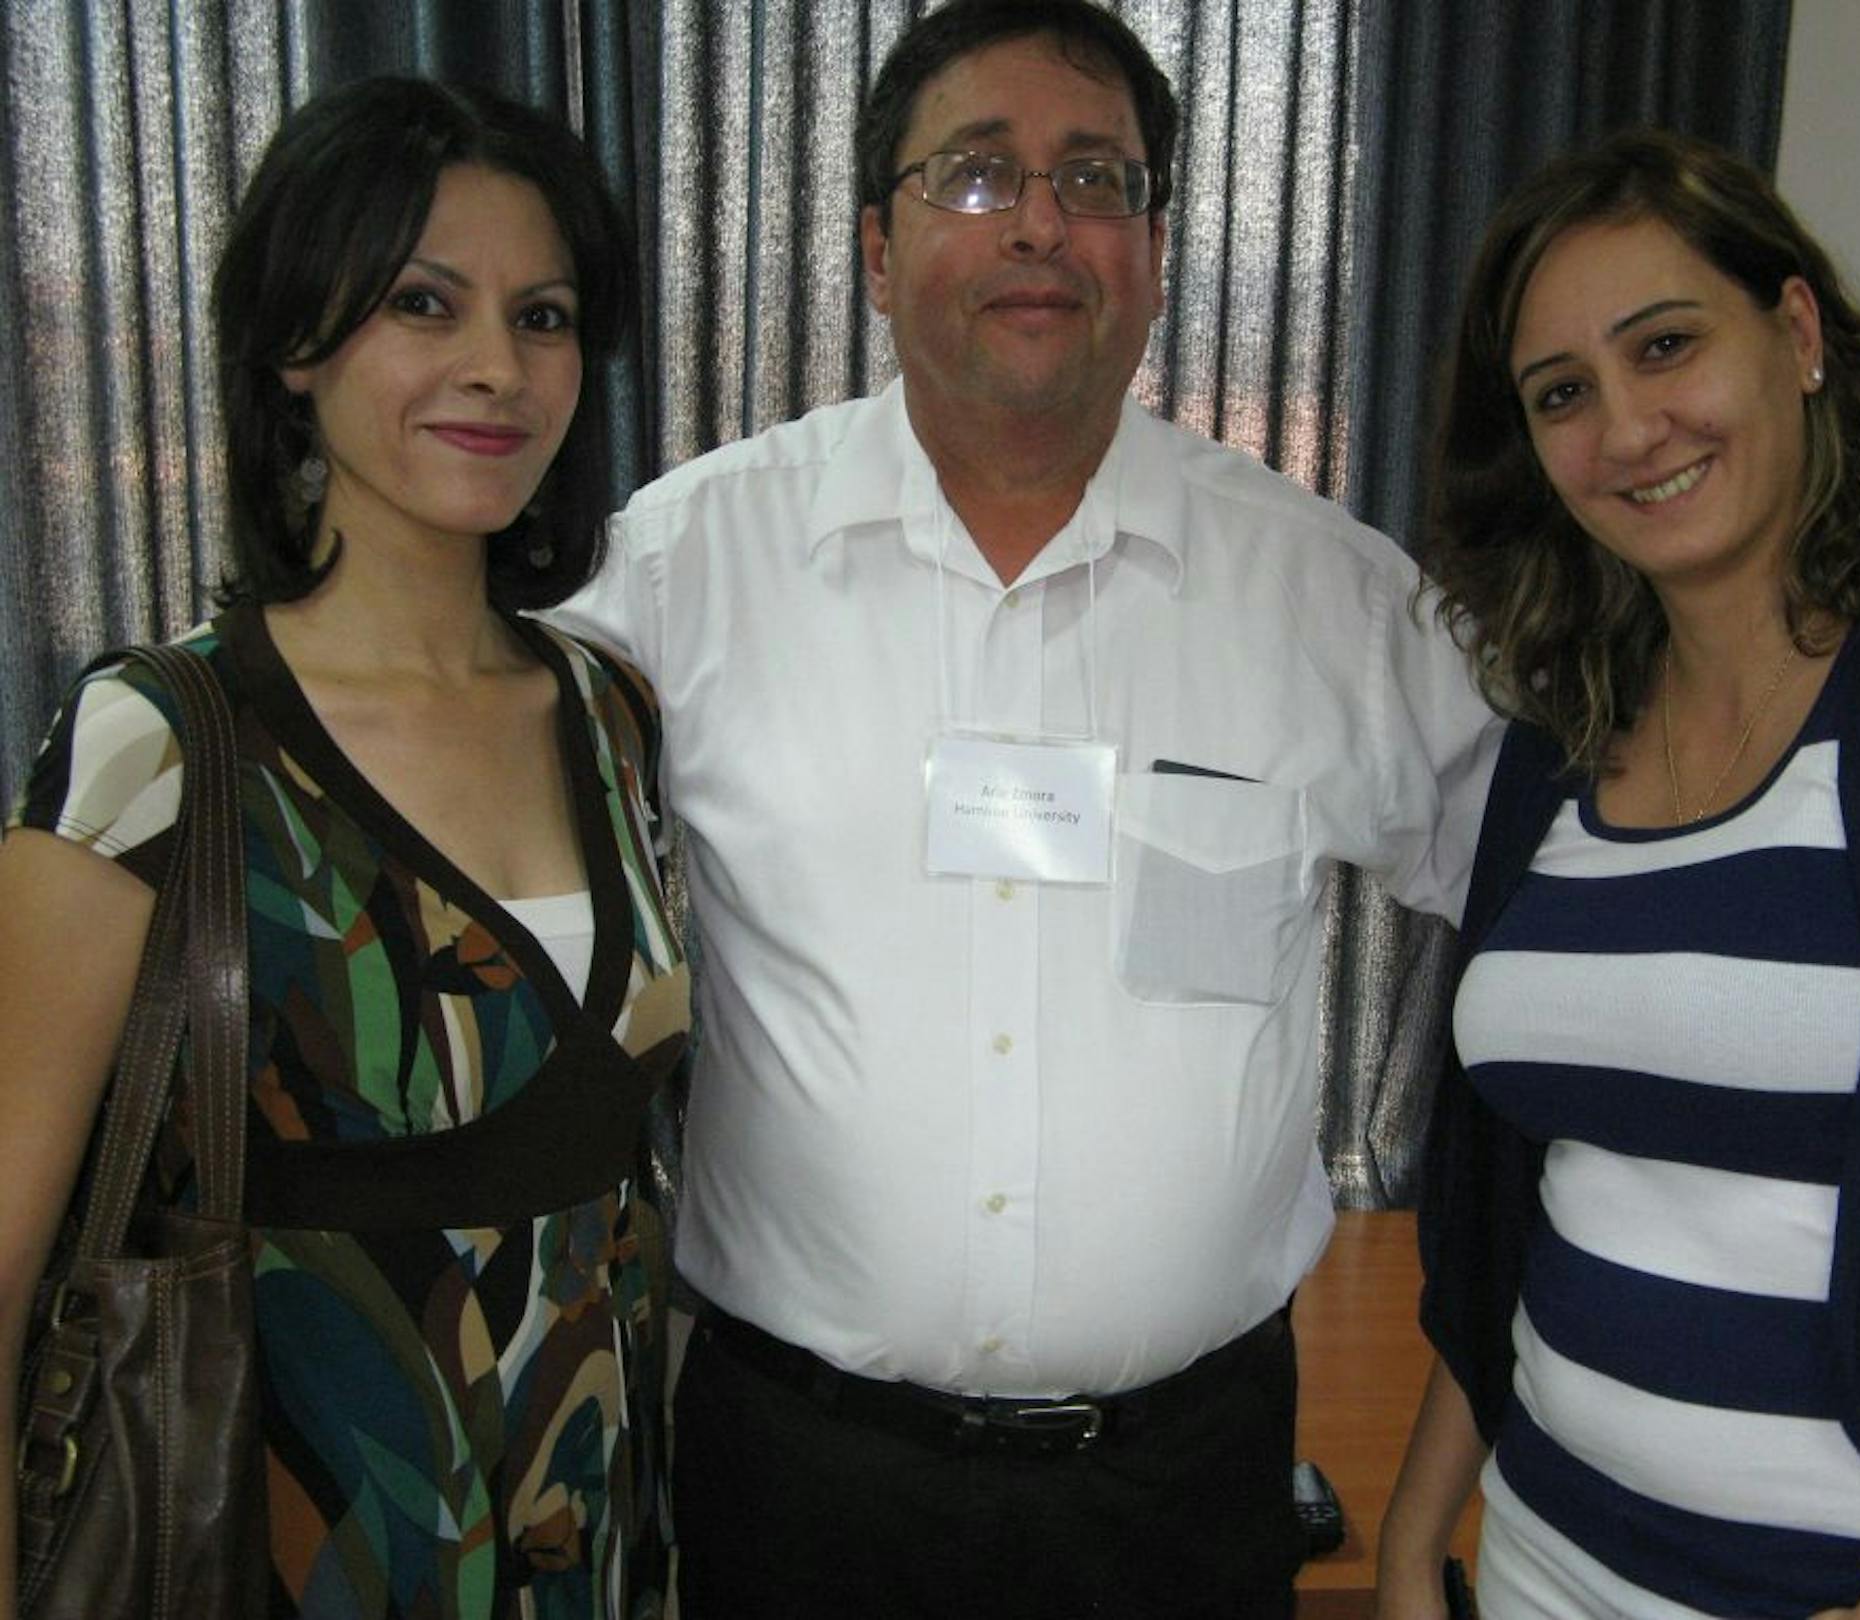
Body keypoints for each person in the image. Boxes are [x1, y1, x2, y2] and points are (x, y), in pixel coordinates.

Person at [547, 1, 1496, 1615]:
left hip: (1183, 1494)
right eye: (977, 176)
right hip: (801, 1484)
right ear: (871, 240)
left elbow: (1559, 909)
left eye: (1097, 179)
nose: (1041, 222)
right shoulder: (681, 572)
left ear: (1154, 246)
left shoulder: (1325, 599)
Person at [1376, 128, 1860, 1620]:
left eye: (1666, 346)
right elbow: (1534, 1202)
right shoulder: (1561, 741)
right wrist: (1422, 1531)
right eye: (1563, 396)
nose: (1627, 429)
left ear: (1795, 335)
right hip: (1549, 1562)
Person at [0, 77, 684, 1618]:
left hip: (606, 1552)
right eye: (424, 304)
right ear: (298, 347)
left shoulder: (612, 716)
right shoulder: (159, 744)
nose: (497, 368)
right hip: (289, 1556)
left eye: (548, 314)